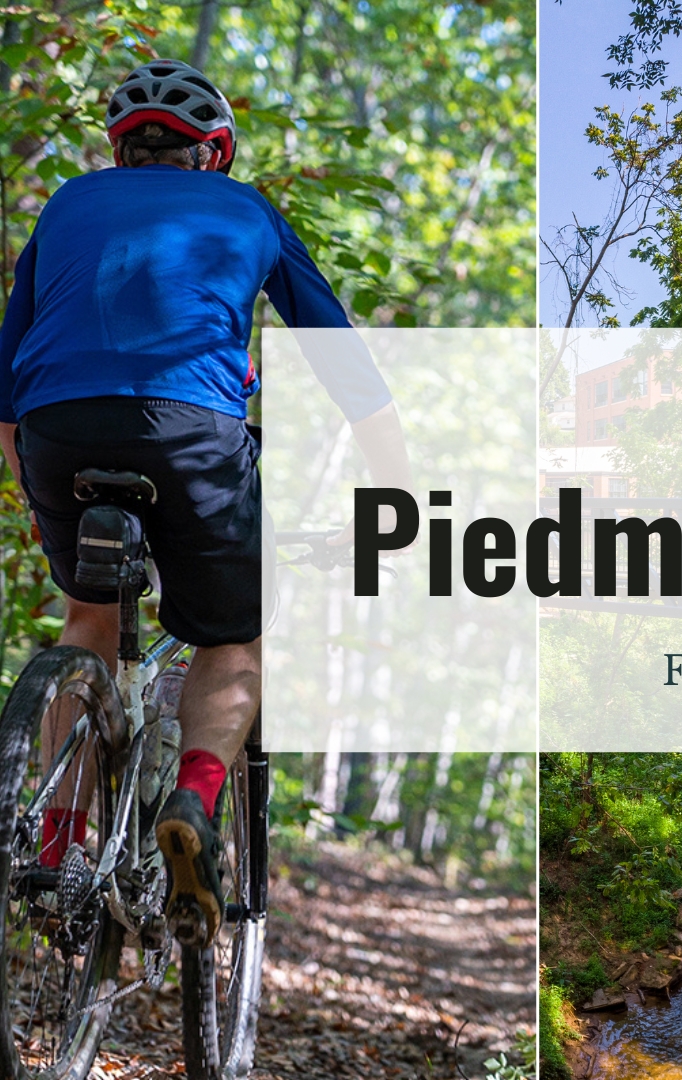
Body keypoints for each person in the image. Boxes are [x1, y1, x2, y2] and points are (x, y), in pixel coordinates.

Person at [0, 60, 407, 943]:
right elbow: (337, 355)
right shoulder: (249, 209)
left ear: (120, 147)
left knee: (89, 620)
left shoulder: (67, 204)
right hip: (190, 433)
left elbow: (7, 378)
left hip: (54, 430)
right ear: (213, 153)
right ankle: (194, 800)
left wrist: (35, 475)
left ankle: (61, 840)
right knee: (233, 637)